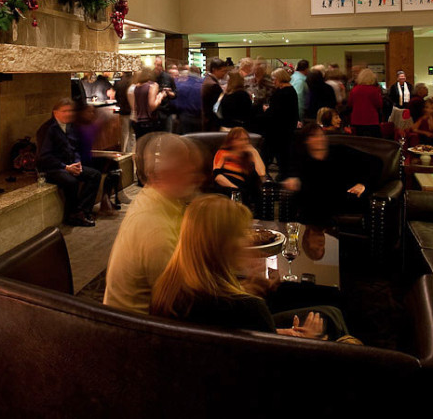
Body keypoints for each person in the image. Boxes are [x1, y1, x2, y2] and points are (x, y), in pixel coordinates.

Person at [150, 195, 350, 340]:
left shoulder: (167, 288)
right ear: (222, 245)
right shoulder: (249, 308)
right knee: (332, 318)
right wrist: (310, 343)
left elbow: (231, 330)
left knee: (331, 313)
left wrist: (279, 332)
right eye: (240, 234)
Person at [104, 133, 203, 314]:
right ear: (161, 174)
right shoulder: (156, 231)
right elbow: (183, 304)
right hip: (139, 332)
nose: (194, 172)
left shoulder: (157, 198)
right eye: (185, 166)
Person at [279, 124, 373, 227]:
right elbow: (284, 177)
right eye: (314, 136)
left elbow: (374, 163)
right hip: (312, 207)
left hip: (342, 200)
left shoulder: (340, 152)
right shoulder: (301, 159)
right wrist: (290, 180)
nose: (320, 139)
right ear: (306, 140)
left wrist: (363, 184)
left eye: (322, 135)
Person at [37, 99, 102, 227]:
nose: (68, 114)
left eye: (70, 111)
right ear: (55, 112)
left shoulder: (71, 126)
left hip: (70, 165)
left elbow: (75, 148)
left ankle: (83, 211)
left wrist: (77, 163)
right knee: (71, 182)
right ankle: (72, 214)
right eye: (64, 111)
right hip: (52, 168)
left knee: (95, 175)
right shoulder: (47, 129)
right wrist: (66, 167)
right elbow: (44, 157)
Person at [74, 103, 122, 217]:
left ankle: (106, 198)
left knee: (114, 165)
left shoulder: (91, 126)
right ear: (81, 113)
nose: (91, 114)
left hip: (90, 158)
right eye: (88, 112)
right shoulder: (77, 128)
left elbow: (103, 123)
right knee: (102, 169)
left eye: (92, 112)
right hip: (82, 161)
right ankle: (101, 203)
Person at [212, 127, 266, 207]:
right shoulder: (223, 153)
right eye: (239, 139)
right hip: (226, 184)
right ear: (231, 141)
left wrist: (254, 151)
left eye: (245, 139)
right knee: (237, 193)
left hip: (243, 186)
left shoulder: (248, 155)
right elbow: (217, 176)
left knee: (256, 186)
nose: (243, 142)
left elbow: (261, 174)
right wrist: (235, 188)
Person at [263, 68, 299, 168]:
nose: (273, 81)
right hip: (286, 128)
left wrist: (267, 110)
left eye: (274, 79)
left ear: (280, 78)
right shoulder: (289, 90)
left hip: (279, 130)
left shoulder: (284, 92)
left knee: (277, 154)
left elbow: (276, 111)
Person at [346, 68, 383, 138]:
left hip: (357, 119)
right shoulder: (375, 90)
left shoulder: (355, 90)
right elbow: (379, 104)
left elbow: (350, 104)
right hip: (372, 120)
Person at [130, 68, 164, 140]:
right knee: (150, 146)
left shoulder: (136, 87)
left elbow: (135, 106)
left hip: (138, 122)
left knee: (140, 146)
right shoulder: (153, 86)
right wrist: (160, 97)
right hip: (149, 122)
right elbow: (152, 106)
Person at [201, 57, 228, 132]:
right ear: (214, 70)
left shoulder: (207, 80)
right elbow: (218, 106)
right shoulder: (213, 85)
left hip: (207, 120)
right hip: (212, 122)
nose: (224, 73)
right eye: (223, 71)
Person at [175, 65, 204, 134]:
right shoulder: (202, 84)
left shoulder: (181, 84)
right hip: (199, 117)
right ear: (199, 73)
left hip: (184, 116)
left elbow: (176, 102)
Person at [153, 57, 177, 133]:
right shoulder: (150, 77)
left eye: (159, 65)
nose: (157, 67)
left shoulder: (168, 77)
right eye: (156, 65)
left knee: (167, 136)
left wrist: (168, 93)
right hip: (154, 113)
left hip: (166, 112)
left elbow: (175, 94)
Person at [113, 71, 134, 152]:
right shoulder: (134, 82)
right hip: (133, 111)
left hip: (123, 111)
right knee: (132, 134)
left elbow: (116, 96)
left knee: (124, 134)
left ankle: (123, 153)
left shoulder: (119, 82)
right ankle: (131, 153)